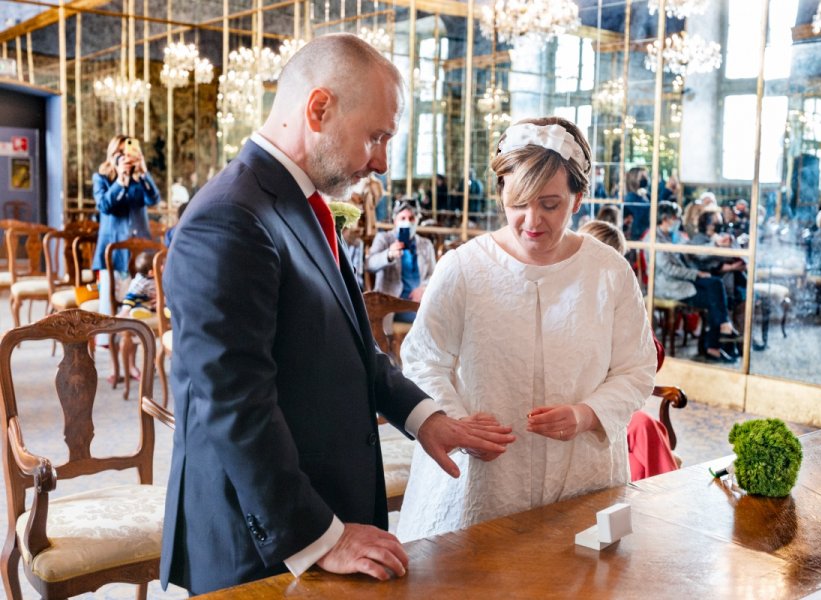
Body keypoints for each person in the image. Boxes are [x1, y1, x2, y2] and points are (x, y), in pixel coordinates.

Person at [160, 34, 515, 595]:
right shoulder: (228, 219)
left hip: (321, 508)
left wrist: (427, 419)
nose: (380, 161)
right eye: (376, 136)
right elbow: (235, 404)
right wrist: (322, 537)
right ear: (319, 108)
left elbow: (351, 347)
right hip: (259, 542)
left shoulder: (296, 203)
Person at [395, 116, 657, 542]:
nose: (532, 220)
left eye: (550, 204)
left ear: (577, 198)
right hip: (481, 480)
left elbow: (637, 368)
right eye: (518, 203)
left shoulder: (608, 271)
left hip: (580, 475)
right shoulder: (463, 268)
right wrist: (456, 422)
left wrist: (587, 414)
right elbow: (423, 359)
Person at [577, 220, 679, 481]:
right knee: (645, 427)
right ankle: (663, 494)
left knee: (646, 429)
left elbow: (650, 360)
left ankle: (661, 497)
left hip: (613, 401)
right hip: (579, 402)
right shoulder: (571, 296)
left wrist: (636, 325)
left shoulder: (619, 294)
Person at [92, 134, 160, 348]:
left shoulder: (140, 179)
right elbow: (104, 206)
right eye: (121, 152)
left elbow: (154, 199)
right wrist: (120, 181)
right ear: (113, 154)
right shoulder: (101, 177)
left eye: (129, 151)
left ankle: (134, 355)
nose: (126, 156)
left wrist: (143, 172)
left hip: (140, 253)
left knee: (138, 303)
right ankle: (114, 358)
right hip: (113, 251)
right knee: (113, 305)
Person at [654, 201, 741, 363]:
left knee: (715, 284)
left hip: (683, 280)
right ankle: (715, 341)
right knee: (715, 297)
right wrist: (696, 274)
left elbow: (691, 251)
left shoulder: (674, 236)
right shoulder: (654, 239)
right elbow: (669, 270)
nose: (678, 220)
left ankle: (721, 329)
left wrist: (716, 243)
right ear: (665, 218)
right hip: (669, 285)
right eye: (675, 217)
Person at [365, 199, 436, 332]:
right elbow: (369, 264)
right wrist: (389, 254)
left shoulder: (426, 244)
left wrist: (424, 288)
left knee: (440, 319)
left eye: (411, 218)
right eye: (402, 218)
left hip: (418, 302)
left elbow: (434, 275)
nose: (407, 222)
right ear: (395, 221)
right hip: (390, 302)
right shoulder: (384, 239)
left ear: (417, 221)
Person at [116, 251, 157, 381]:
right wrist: (125, 311)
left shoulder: (158, 277)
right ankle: (138, 312)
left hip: (154, 305)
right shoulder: (140, 282)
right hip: (138, 304)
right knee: (137, 308)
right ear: (151, 272)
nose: (163, 267)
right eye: (160, 265)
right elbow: (129, 298)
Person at [622, 166, 650, 240]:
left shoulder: (645, 195)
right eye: (642, 176)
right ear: (633, 179)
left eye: (646, 176)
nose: (646, 179)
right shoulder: (630, 198)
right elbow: (646, 211)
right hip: (638, 236)